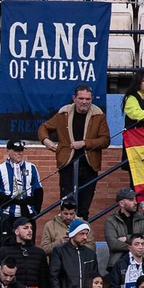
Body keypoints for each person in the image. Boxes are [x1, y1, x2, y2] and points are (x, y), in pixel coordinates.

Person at [38, 84, 110, 217]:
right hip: (67, 164)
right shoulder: (64, 113)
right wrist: (46, 141)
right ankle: (66, 235)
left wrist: (84, 143)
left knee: (84, 208)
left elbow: (105, 140)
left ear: (92, 99)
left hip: (89, 165)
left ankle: (82, 235)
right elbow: (43, 127)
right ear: (74, 98)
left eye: (88, 99)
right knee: (67, 205)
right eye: (81, 98)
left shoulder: (98, 115)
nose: (84, 102)